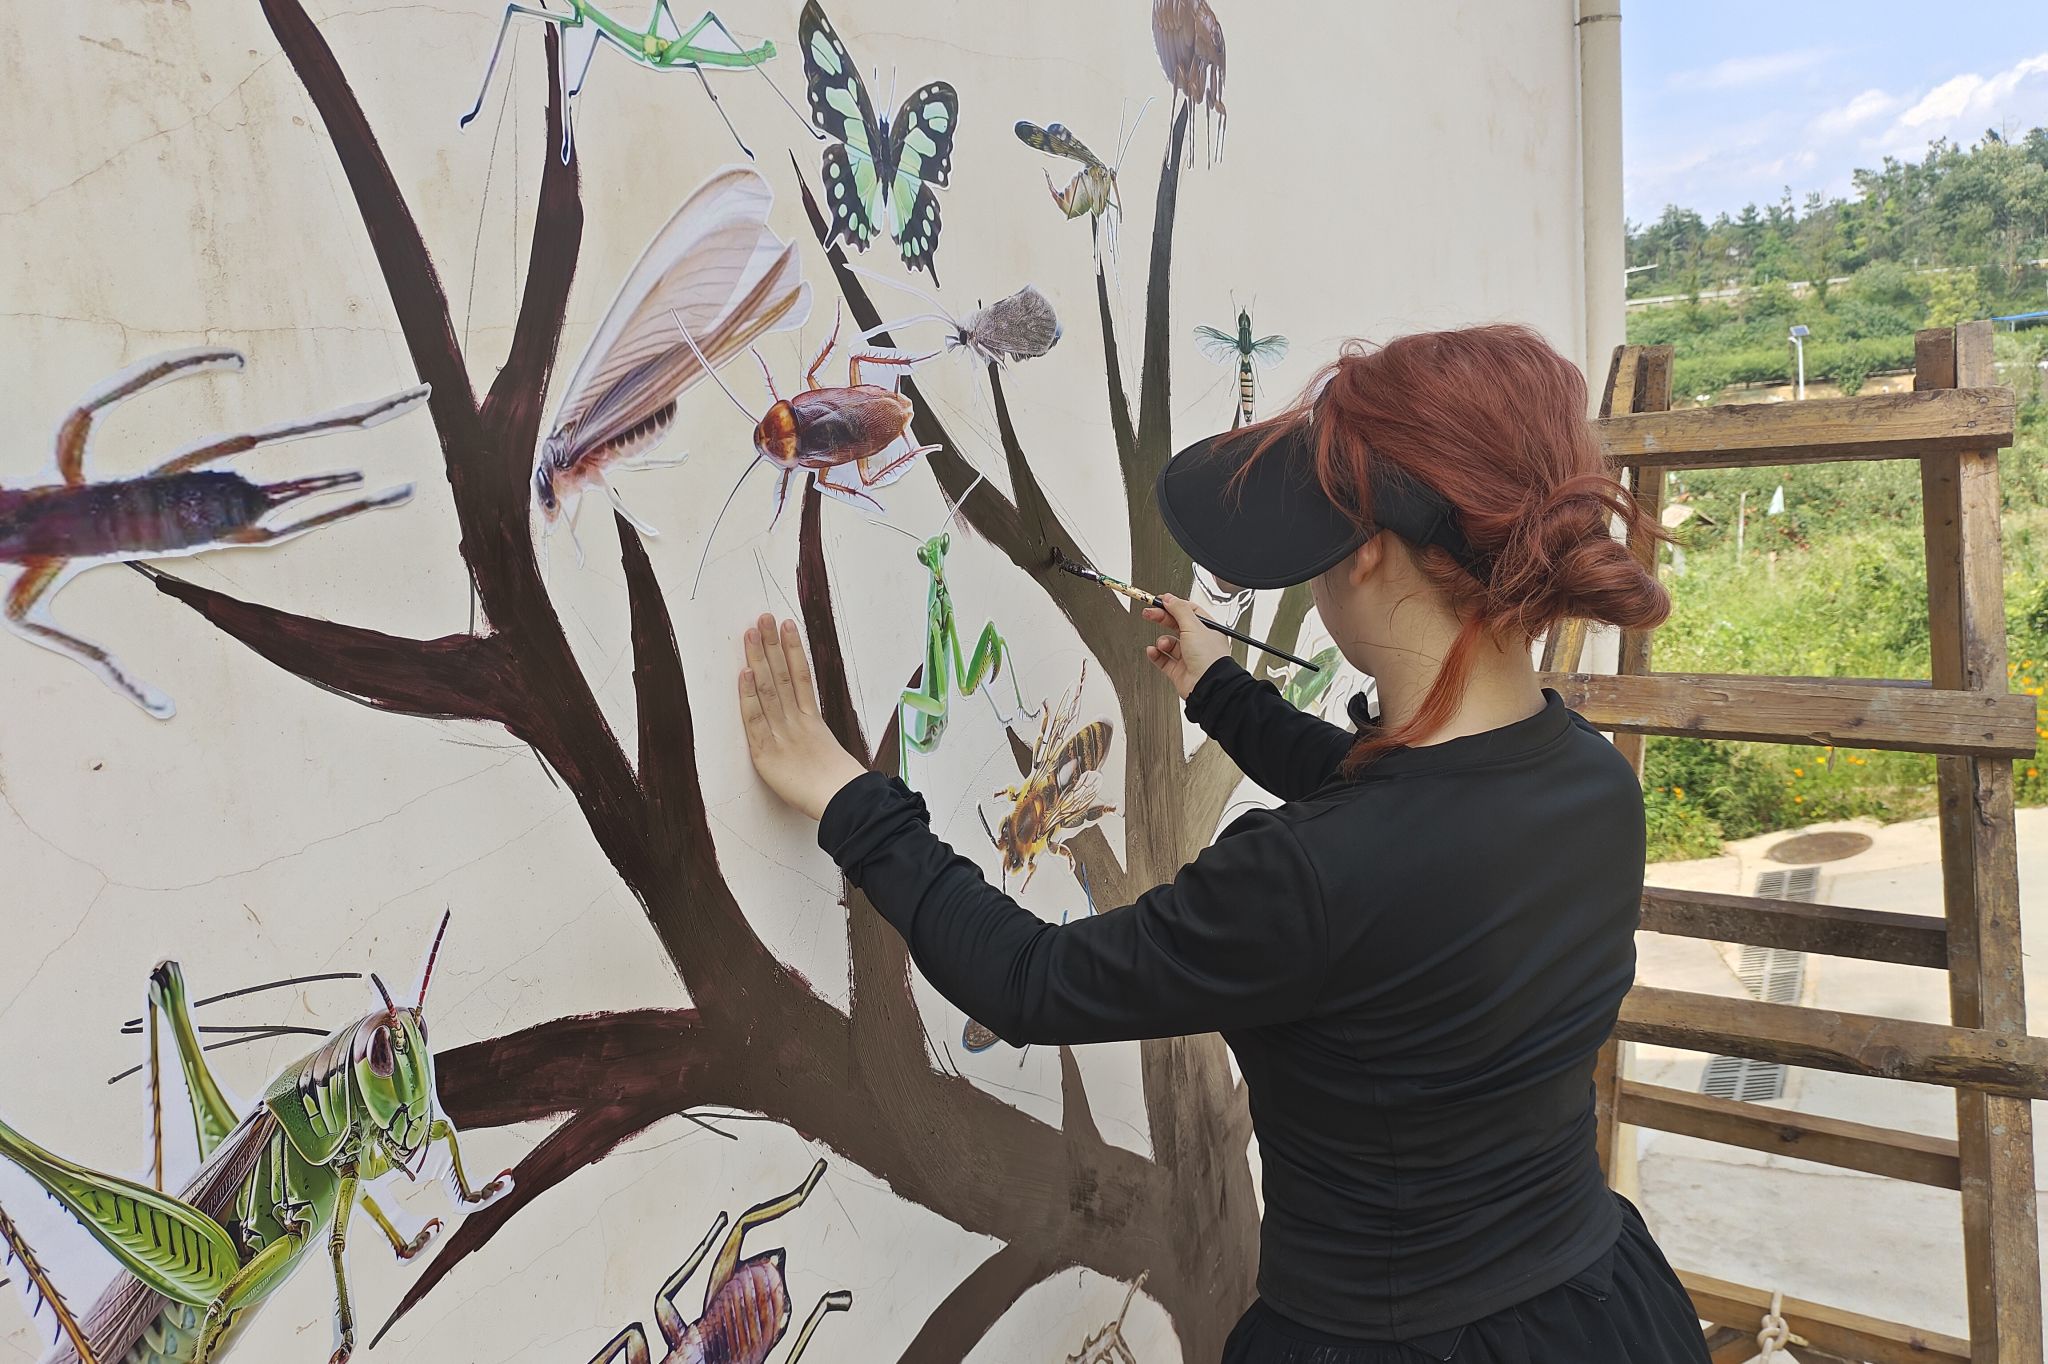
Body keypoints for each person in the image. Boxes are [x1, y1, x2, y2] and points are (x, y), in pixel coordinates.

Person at [731, 324, 1710, 1363]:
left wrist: (847, 795)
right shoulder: (1590, 780)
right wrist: (1220, 689)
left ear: (1365, 550)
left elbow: (1027, 979)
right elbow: (1401, 812)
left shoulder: (1310, 873)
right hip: (1597, 1308)